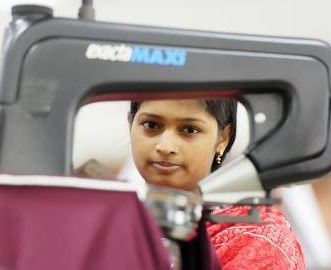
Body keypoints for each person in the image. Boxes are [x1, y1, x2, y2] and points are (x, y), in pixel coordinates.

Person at [128, 98, 305, 270]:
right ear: (131, 124)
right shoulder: (113, 220)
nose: (165, 146)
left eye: (189, 130)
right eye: (151, 125)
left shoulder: (255, 239)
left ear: (223, 138)